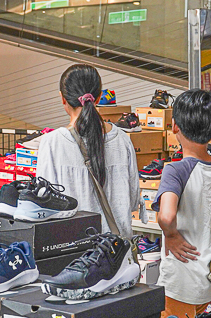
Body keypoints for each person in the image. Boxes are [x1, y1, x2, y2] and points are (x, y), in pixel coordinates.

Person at [152, 89, 211, 318]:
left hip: (180, 283)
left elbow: (166, 216)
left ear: (174, 126)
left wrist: (171, 236)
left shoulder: (175, 170)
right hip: (210, 280)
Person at [36, 64, 140, 236]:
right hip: (118, 254)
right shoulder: (122, 140)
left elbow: (44, 203)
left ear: (63, 98)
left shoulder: (52, 143)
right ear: (99, 97)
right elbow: (133, 200)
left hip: (73, 256)